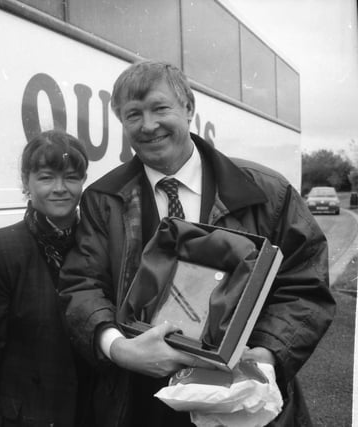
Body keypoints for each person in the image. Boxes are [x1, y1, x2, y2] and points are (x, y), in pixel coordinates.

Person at [58, 60, 336, 426]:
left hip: (239, 402)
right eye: (133, 114)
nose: (148, 125)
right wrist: (119, 349)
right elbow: (82, 284)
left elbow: (305, 285)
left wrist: (267, 353)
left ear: (188, 107)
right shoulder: (103, 198)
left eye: (160, 108)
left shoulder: (267, 192)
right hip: (140, 400)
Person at [0, 130, 93, 427]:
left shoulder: (97, 244)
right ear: (26, 182)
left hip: (89, 412)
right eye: (47, 177)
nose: (60, 188)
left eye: (72, 177)